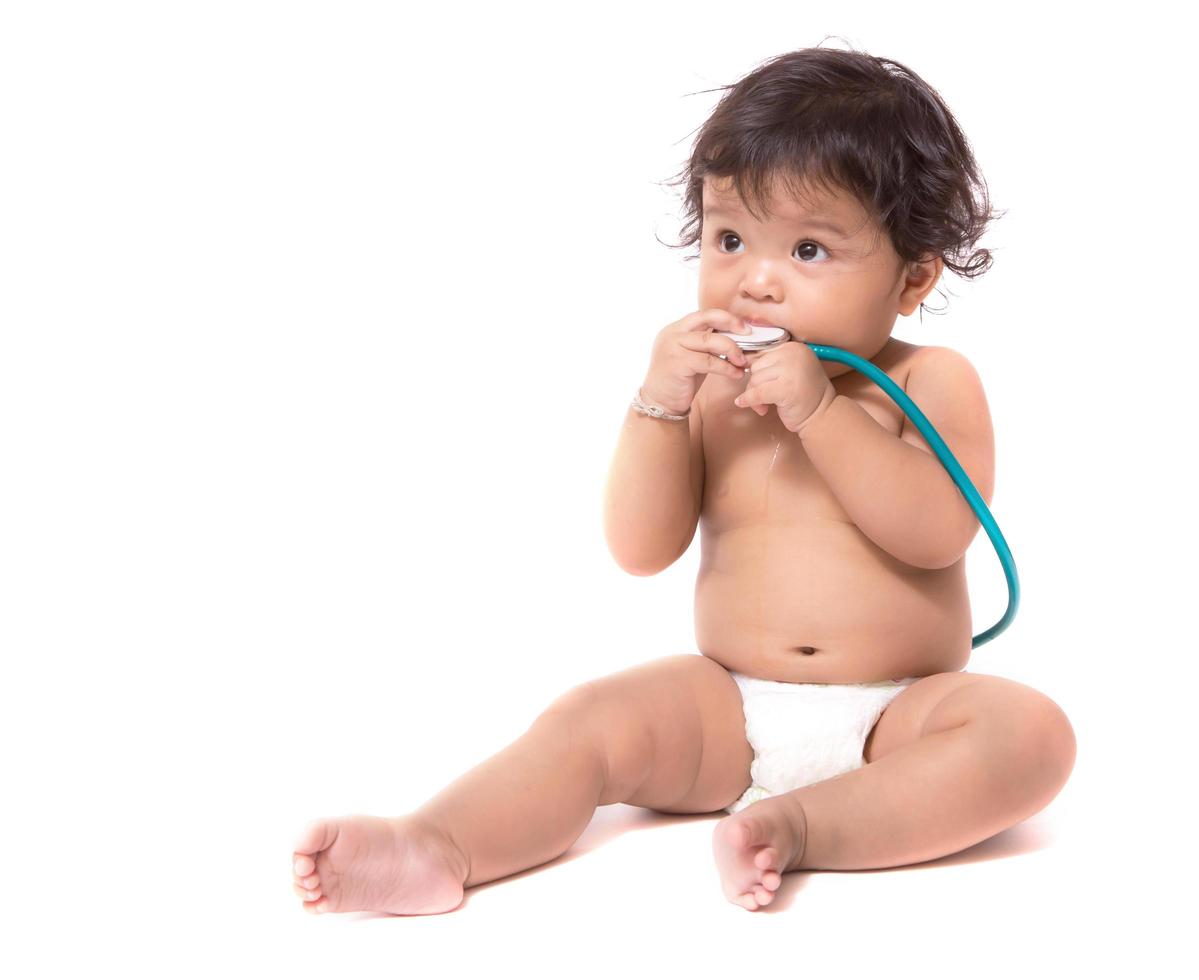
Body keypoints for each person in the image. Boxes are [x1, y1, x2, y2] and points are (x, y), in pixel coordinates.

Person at [291, 43, 1076, 915]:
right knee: (590, 719)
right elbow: (640, 548)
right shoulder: (711, 391)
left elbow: (935, 532)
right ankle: (437, 843)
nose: (757, 281)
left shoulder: (932, 382)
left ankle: (806, 826)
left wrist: (823, 412)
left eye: (810, 249)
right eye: (730, 239)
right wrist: (658, 408)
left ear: (913, 276)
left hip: (901, 716)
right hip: (727, 709)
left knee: (1028, 735)